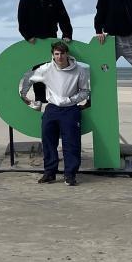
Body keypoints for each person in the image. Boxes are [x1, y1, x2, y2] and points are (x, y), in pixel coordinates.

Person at [28, 41, 90, 187]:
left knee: (71, 143)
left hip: (70, 110)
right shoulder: (46, 69)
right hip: (52, 109)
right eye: (56, 54)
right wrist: (26, 98)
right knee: (48, 141)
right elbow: (29, 78)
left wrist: (70, 100)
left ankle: (70, 175)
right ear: (53, 55)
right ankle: (49, 173)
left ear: (67, 54)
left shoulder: (80, 70)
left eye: (62, 53)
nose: (59, 57)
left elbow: (85, 91)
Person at [17, 0, 72, 109]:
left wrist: (67, 34)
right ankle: (40, 98)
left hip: (50, 37)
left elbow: (63, 15)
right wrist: (28, 36)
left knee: (53, 68)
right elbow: (21, 20)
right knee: (37, 69)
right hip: (33, 41)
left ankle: (55, 97)